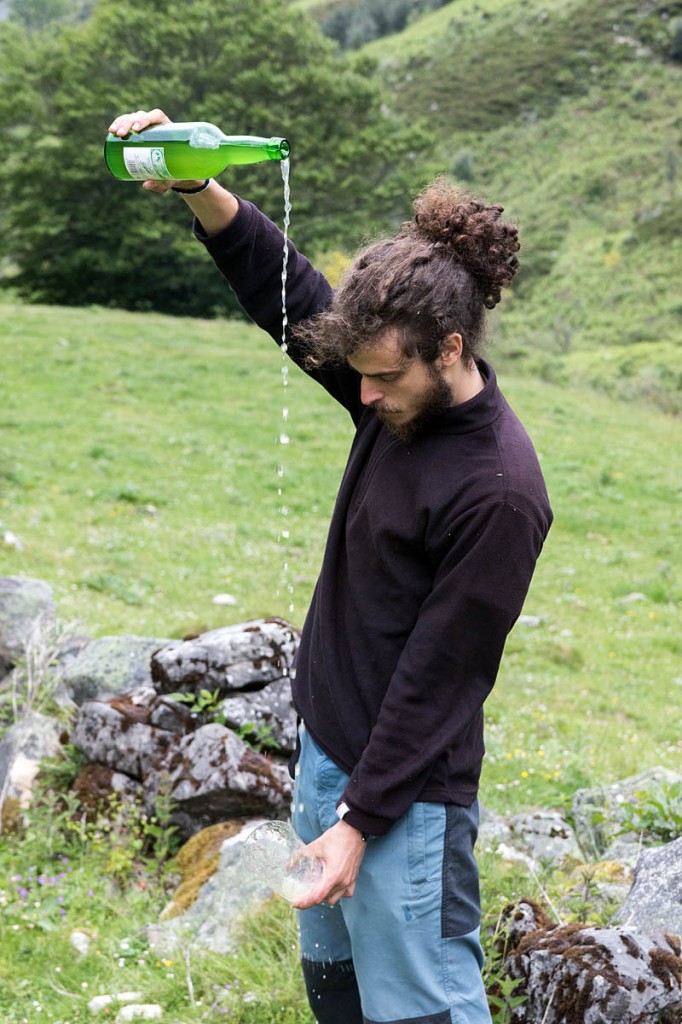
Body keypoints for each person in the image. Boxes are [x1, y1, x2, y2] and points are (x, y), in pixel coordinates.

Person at [109, 109, 553, 1024]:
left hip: (404, 803)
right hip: (329, 756)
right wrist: (200, 187)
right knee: (340, 996)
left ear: (452, 349)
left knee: (424, 1008)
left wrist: (360, 824)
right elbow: (290, 294)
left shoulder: (498, 492)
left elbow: (442, 679)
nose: (362, 393)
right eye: (356, 374)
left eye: (383, 377)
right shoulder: (392, 395)